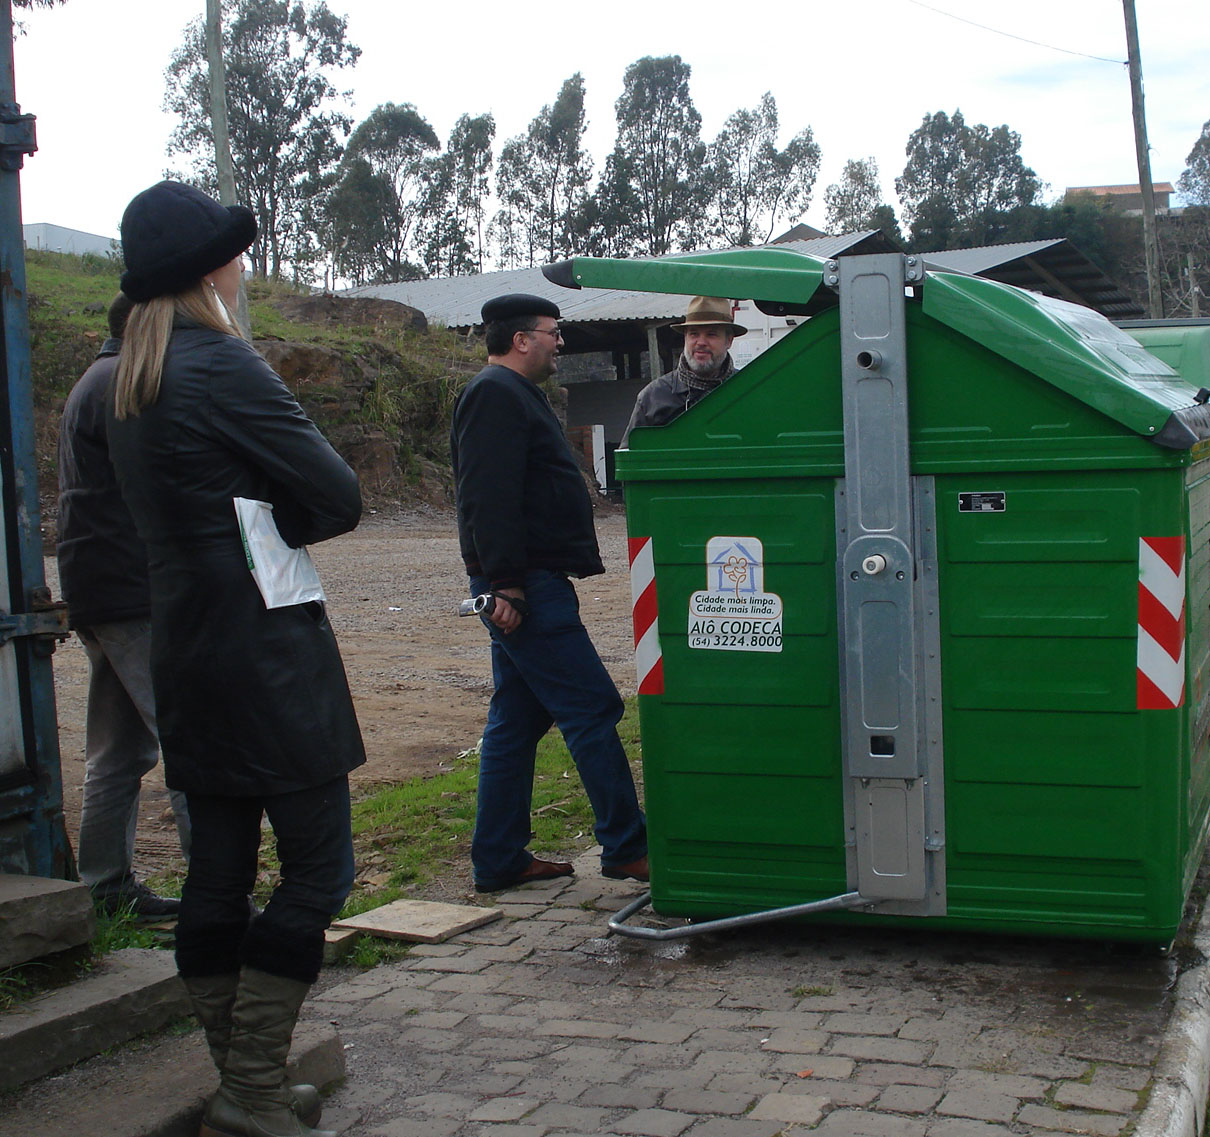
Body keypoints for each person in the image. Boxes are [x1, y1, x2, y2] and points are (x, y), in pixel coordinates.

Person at [106, 180, 363, 1137]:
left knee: (217, 873)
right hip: (267, 652)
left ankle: (238, 1081)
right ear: (208, 270)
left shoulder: (129, 377)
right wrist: (270, 519)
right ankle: (251, 1089)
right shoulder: (220, 362)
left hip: (187, 645)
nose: (242, 262)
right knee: (317, 871)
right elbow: (336, 496)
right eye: (232, 251)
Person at [451, 293, 649, 894]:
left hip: (529, 580)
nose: (559, 343)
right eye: (553, 333)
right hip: (527, 586)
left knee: (516, 720)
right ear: (521, 339)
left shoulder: (512, 395)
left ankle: (500, 858)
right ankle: (627, 846)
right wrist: (505, 582)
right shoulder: (494, 394)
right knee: (592, 708)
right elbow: (488, 497)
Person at [57, 293, 189, 919]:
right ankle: (218, 897)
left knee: (118, 752)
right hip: (133, 588)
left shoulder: (98, 380)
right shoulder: (121, 385)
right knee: (191, 739)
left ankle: (105, 888)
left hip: (101, 588)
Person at [620, 295, 747, 447]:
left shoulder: (745, 392)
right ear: (685, 338)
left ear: (729, 340)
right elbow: (630, 461)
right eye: (694, 334)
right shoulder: (653, 397)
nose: (701, 342)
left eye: (711, 334)